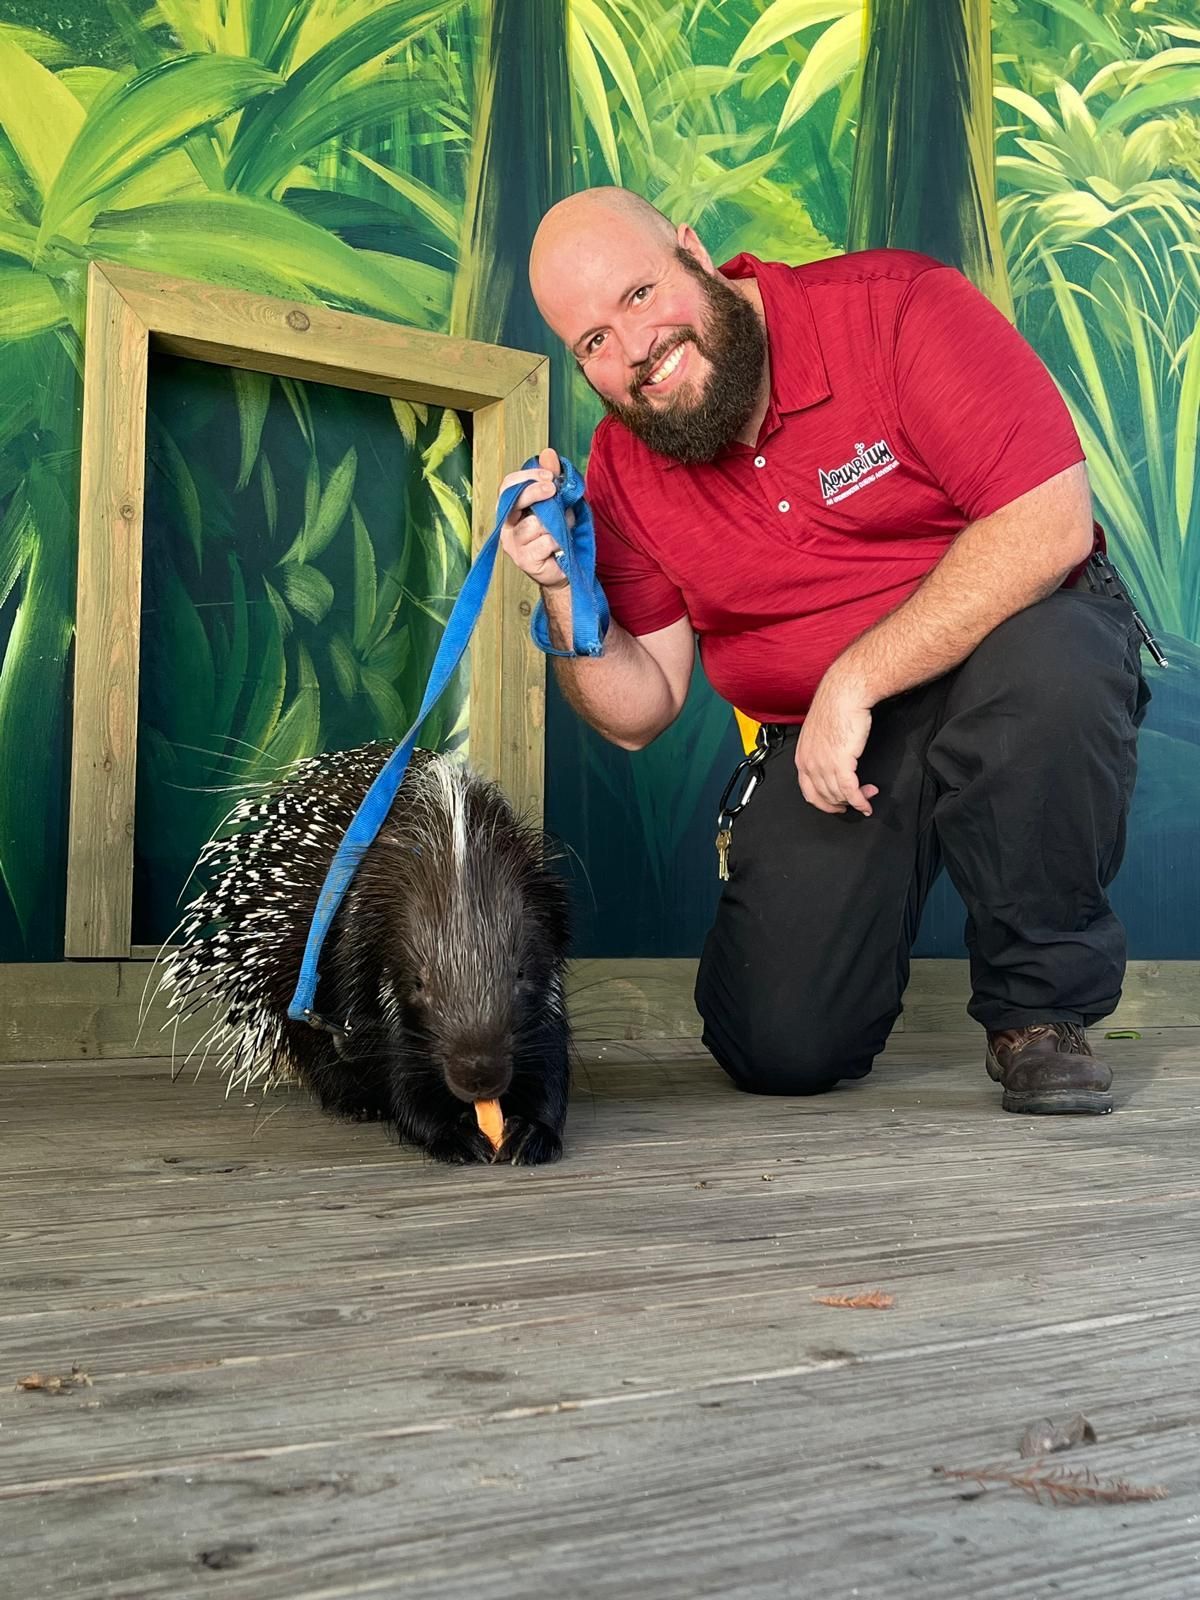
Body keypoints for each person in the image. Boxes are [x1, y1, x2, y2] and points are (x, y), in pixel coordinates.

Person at [498, 186, 1150, 1116]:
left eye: (639, 295)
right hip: (829, 741)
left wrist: (857, 674)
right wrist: (565, 592)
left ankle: (1039, 1014)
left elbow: (1048, 526)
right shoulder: (625, 467)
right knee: (778, 1045)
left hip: (1007, 659)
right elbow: (640, 714)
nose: (635, 350)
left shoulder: (897, 309)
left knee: (1054, 668)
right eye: (593, 342)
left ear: (693, 251)